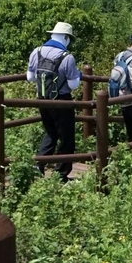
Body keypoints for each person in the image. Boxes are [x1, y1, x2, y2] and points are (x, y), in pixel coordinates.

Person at [27, 22, 82, 179]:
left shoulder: (36, 52)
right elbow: (73, 84)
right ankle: (61, 173)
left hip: (42, 99)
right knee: (67, 136)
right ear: (65, 38)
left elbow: (30, 77)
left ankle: (39, 165)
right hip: (62, 100)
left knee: (51, 132)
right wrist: (77, 75)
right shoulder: (67, 57)